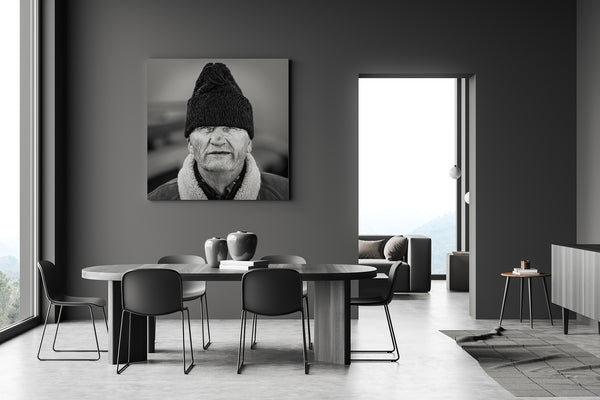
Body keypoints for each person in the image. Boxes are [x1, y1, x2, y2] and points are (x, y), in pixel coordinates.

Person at [148, 62, 289, 200]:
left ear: (249, 144)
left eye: (229, 128)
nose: (217, 139)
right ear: (190, 144)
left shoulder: (286, 194)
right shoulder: (157, 201)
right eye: (207, 129)